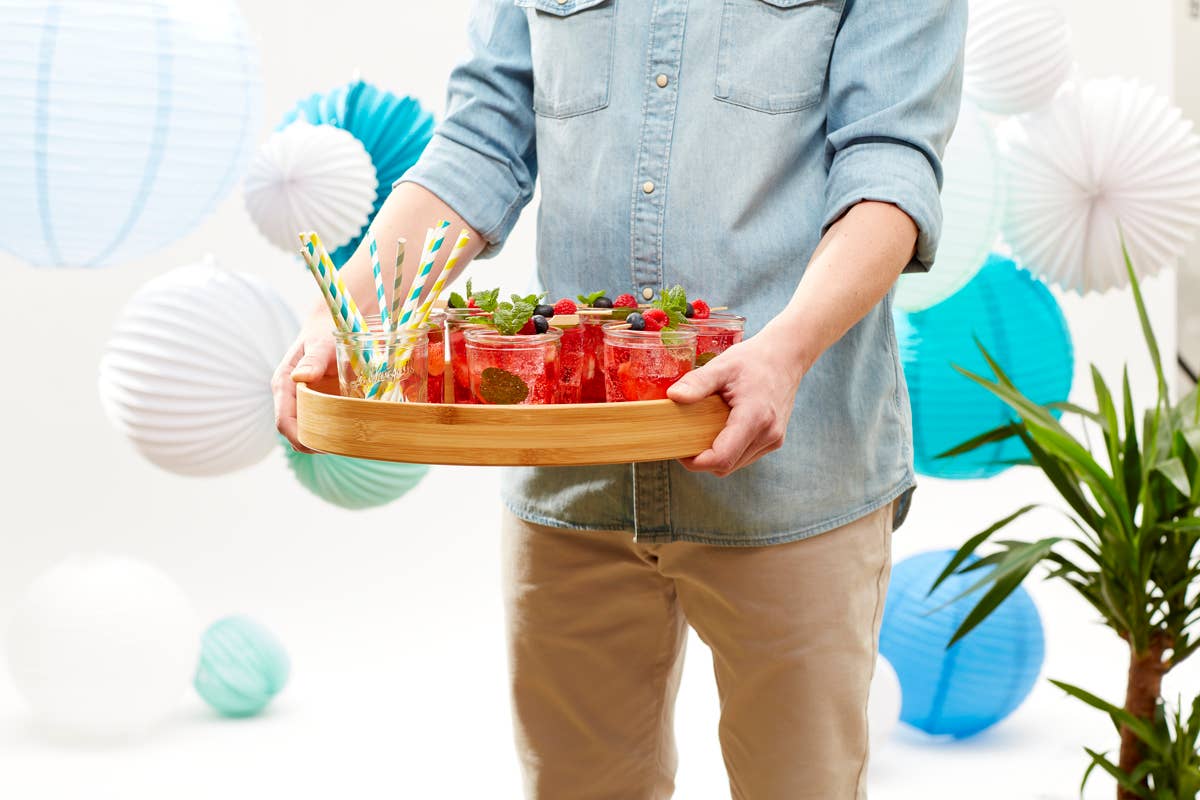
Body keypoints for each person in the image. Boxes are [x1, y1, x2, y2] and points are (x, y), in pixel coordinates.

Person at [275, 1, 966, 797]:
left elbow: (890, 168)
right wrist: (348, 310)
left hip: (795, 471)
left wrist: (788, 350)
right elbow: (480, 140)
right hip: (572, 477)